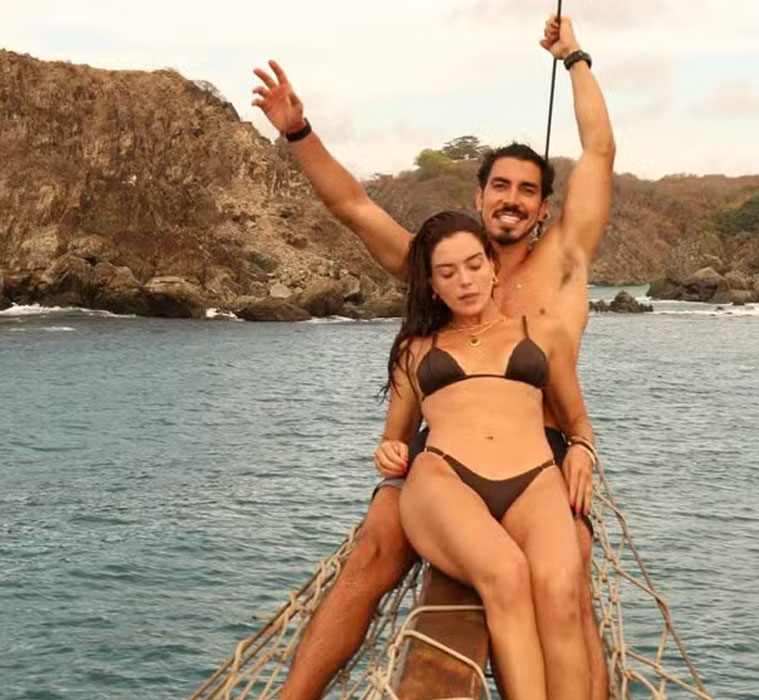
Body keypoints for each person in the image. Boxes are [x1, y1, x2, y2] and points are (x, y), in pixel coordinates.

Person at [251, 13, 614, 700]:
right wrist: (300, 133)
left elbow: (598, 151)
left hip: (541, 448)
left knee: (570, 576)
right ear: (479, 196)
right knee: (373, 548)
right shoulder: (439, 266)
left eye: (527, 190)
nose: (511, 200)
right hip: (443, 449)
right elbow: (355, 208)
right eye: (500, 186)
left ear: (543, 208)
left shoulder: (565, 261)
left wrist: (574, 58)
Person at [379, 210, 595, 700]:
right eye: (447, 272)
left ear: (493, 267)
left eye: (474, 265)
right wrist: (389, 452)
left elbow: (576, 420)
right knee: (507, 575)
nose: (465, 280)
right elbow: (395, 439)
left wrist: (581, 450)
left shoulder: (543, 332)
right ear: (433, 286)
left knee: (562, 596)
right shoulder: (415, 349)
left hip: (534, 479)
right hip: (445, 479)